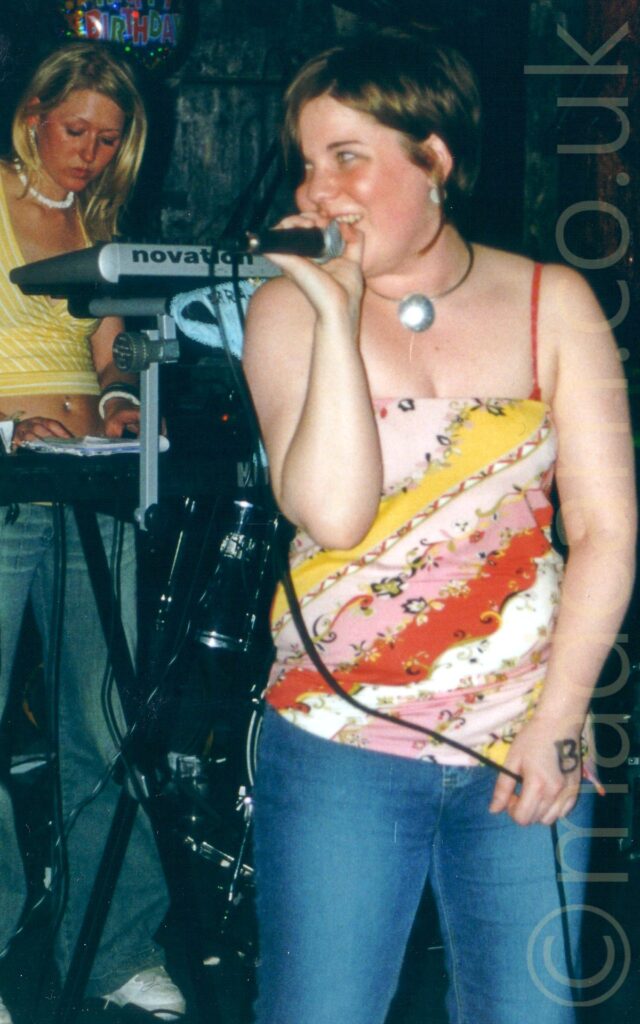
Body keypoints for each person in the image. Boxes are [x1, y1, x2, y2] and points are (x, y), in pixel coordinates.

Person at [242, 30, 637, 1024]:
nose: (319, 187)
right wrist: (335, 319)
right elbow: (332, 512)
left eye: (348, 156)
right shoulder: (286, 315)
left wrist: (554, 725)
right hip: (340, 744)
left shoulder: (557, 302)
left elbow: (605, 532)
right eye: (307, 161)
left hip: (521, 736)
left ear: (435, 158)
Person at [0, 43, 184, 1022]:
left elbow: (114, 354)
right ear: (33, 115)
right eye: (76, 132)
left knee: (103, 725)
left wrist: (118, 402)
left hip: (88, 485)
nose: (89, 156)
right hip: (1, 477)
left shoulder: (103, 225)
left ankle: (113, 949)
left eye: (109, 142)